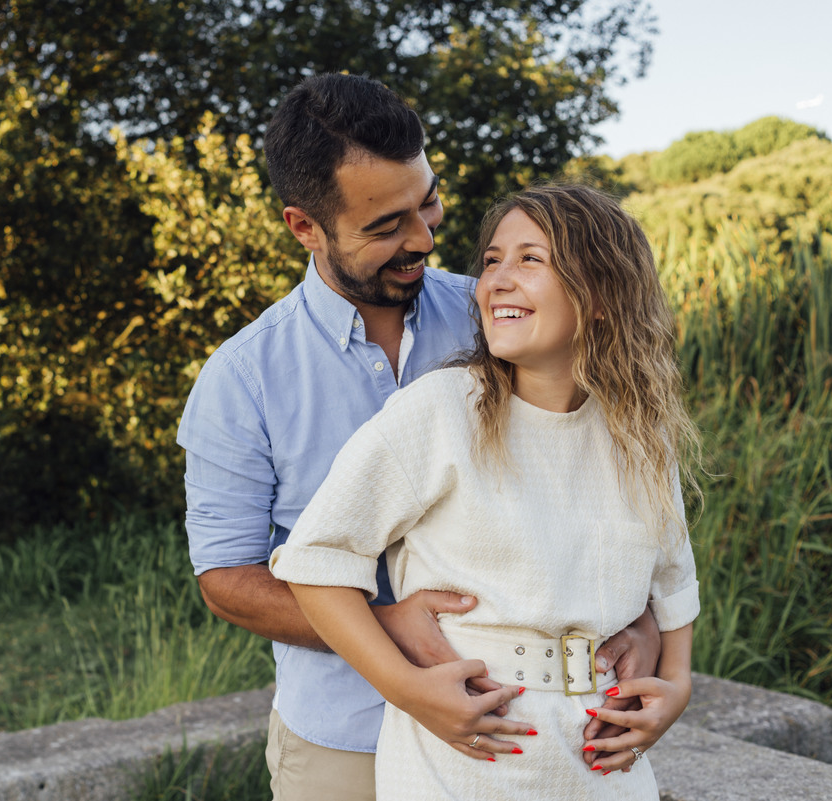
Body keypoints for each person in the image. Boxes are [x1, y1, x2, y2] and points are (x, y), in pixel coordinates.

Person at [176, 74, 662, 800]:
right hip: (343, 739)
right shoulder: (242, 377)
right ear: (304, 227)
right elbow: (226, 579)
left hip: (520, 744)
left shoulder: (501, 314)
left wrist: (642, 620)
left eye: (426, 202)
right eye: (384, 227)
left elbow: (594, 474)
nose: (423, 238)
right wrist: (388, 632)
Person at [270, 183, 701, 799]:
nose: (496, 279)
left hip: (605, 769)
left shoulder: (639, 433)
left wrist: (677, 687)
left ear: (602, 293)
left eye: (531, 259)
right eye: (492, 260)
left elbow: (673, 581)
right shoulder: (441, 411)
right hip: (464, 764)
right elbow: (316, 563)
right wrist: (407, 689)